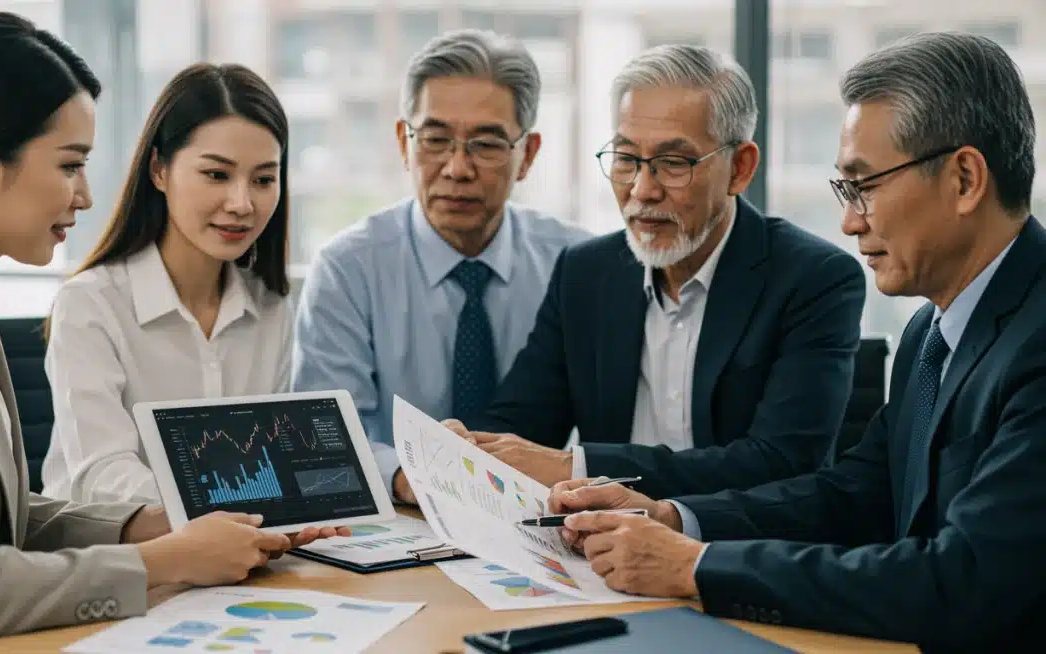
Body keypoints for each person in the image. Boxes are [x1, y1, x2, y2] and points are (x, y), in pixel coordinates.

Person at [0, 14, 343, 654]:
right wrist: (171, 557)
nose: (84, 195)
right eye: (70, 165)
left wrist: (159, 524)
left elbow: (7, 517)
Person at [548, 32, 1045, 651]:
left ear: (965, 179)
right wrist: (674, 518)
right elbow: (856, 494)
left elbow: (963, 580)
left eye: (864, 186)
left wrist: (695, 567)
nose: (849, 221)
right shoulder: (932, 330)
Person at [449, 45, 865, 497]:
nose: (642, 190)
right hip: (593, 534)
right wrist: (466, 448)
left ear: (740, 168)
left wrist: (579, 466)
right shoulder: (585, 273)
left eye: (673, 164)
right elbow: (521, 426)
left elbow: (781, 463)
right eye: (626, 159)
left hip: (729, 538)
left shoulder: (813, 279)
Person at [291, 29, 590, 503]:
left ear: (527, 154)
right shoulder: (348, 269)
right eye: (435, 140)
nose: (457, 168)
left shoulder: (576, 264)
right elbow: (323, 438)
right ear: (403, 142)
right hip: (399, 513)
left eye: (486, 145)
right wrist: (412, 476)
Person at [41, 62, 295, 504]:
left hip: (242, 541)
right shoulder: (91, 304)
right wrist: (219, 512)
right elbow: (102, 475)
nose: (242, 204)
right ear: (159, 170)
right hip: (116, 542)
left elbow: (273, 464)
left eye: (263, 180)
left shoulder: (272, 307)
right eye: (217, 175)